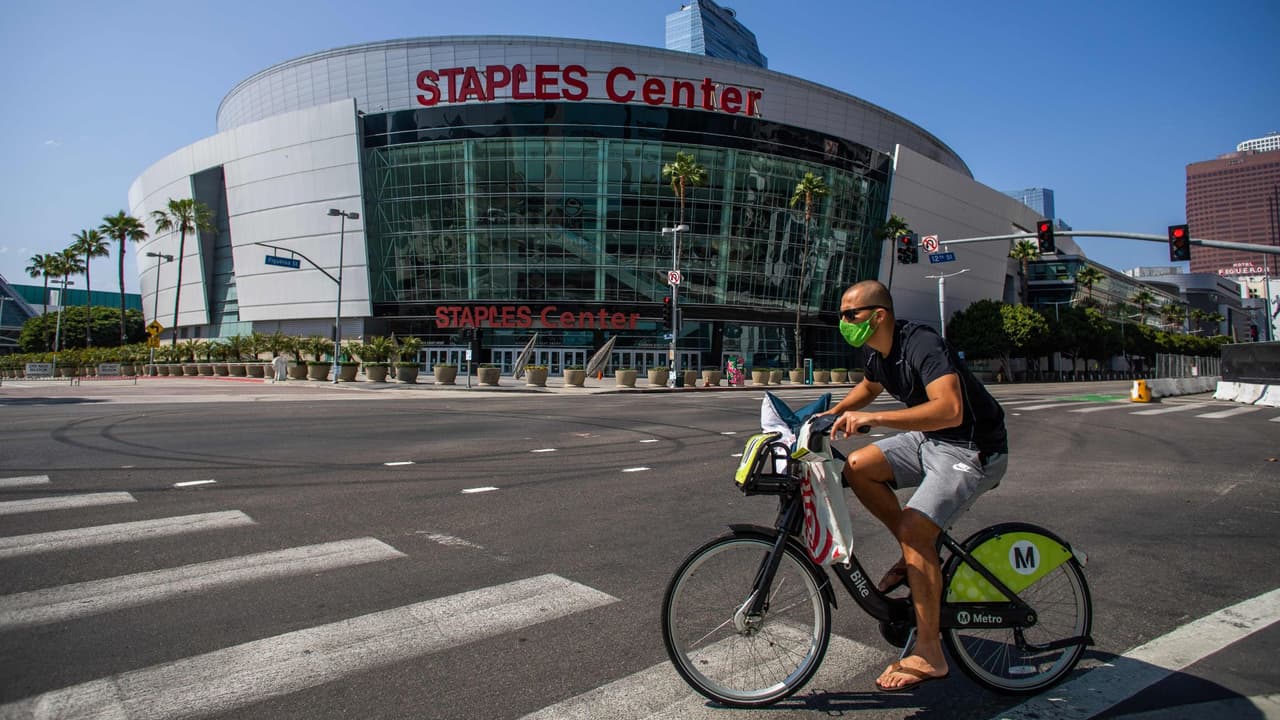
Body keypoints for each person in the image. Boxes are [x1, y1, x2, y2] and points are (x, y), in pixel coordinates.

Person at [825, 279, 1008, 693]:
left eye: (850, 314)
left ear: (879, 315)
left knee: (914, 527)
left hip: (972, 449)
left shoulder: (921, 344)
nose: (843, 322)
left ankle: (930, 652)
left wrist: (876, 420)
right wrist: (832, 412)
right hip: (932, 440)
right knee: (858, 466)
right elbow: (870, 386)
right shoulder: (880, 352)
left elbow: (950, 408)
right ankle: (915, 553)